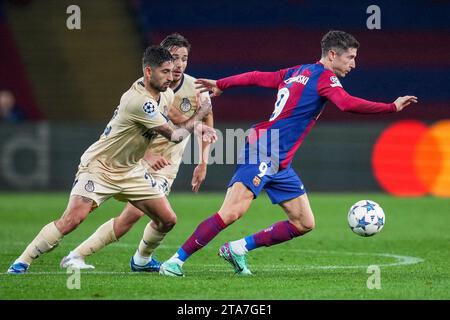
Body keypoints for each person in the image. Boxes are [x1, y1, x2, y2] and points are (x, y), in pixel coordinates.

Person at [159, 30, 418, 277]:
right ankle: (175, 261)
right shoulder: (325, 78)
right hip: (265, 148)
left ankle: (237, 248)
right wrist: (391, 107)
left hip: (279, 159)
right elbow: (347, 104)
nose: (353, 64)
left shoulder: (298, 71)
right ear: (332, 55)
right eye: (350, 57)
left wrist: (223, 83)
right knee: (231, 213)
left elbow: (259, 76)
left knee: (304, 222)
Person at [6, 45, 216, 274]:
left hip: (131, 170)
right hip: (100, 167)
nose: (170, 76)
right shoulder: (139, 101)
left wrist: (198, 127)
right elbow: (174, 135)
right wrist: (200, 113)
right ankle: (21, 262)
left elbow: (173, 118)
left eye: (172, 69)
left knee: (167, 219)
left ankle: (141, 261)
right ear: (148, 72)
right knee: (72, 219)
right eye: (164, 71)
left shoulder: (165, 94)